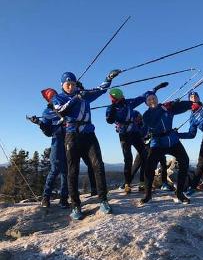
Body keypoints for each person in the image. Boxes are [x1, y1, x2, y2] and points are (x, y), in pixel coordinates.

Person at [52, 70, 120, 220]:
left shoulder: (84, 94)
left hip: (89, 134)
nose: (70, 86)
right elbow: (62, 111)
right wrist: (76, 97)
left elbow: (101, 89)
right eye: (67, 84)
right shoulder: (58, 97)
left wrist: (108, 78)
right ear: (62, 85)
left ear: (76, 84)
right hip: (72, 135)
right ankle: (75, 205)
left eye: (73, 84)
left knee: (98, 165)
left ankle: (103, 200)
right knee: (73, 170)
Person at [105, 83, 168, 194]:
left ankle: (142, 183)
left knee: (144, 155)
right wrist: (113, 109)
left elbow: (143, 97)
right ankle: (127, 184)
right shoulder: (112, 108)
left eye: (122, 96)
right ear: (114, 99)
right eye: (120, 97)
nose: (122, 98)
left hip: (134, 133)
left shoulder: (128, 103)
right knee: (128, 159)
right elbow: (109, 120)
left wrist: (155, 89)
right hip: (124, 134)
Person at [140, 91, 193, 206]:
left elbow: (180, 107)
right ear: (146, 103)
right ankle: (147, 195)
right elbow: (153, 124)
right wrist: (162, 109)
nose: (152, 100)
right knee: (149, 167)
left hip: (172, 140)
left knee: (185, 161)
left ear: (157, 98)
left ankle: (180, 193)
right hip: (157, 143)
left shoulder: (167, 107)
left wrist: (192, 104)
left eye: (153, 98)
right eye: (149, 99)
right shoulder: (146, 115)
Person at [28, 88, 69, 208]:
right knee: (55, 169)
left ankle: (64, 198)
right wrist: (39, 123)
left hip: (69, 139)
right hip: (57, 140)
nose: (53, 98)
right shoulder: (46, 112)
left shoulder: (65, 107)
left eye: (54, 96)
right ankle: (45, 197)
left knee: (66, 171)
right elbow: (48, 132)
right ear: (48, 99)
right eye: (51, 97)